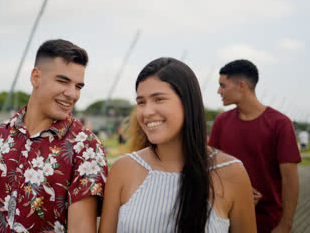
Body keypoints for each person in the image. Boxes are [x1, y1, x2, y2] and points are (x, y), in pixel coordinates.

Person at [0, 39, 108, 233]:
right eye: (63, 81)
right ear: (35, 77)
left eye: (78, 86)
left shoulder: (86, 147)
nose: (72, 94)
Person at [100, 57, 256, 233]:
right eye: (141, 102)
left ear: (187, 103)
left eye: (158, 99)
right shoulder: (123, 169)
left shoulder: (232, 172)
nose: (147, 112)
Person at [209, 59, 301, 233]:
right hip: (223, 218)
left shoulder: (280, 124)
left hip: (267, 222)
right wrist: (239, 189)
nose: (219, 91)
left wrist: (285, 224)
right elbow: (211, 167)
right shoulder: (221, 122)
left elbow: (290, 179)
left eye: (223, 85)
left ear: (241, 85)